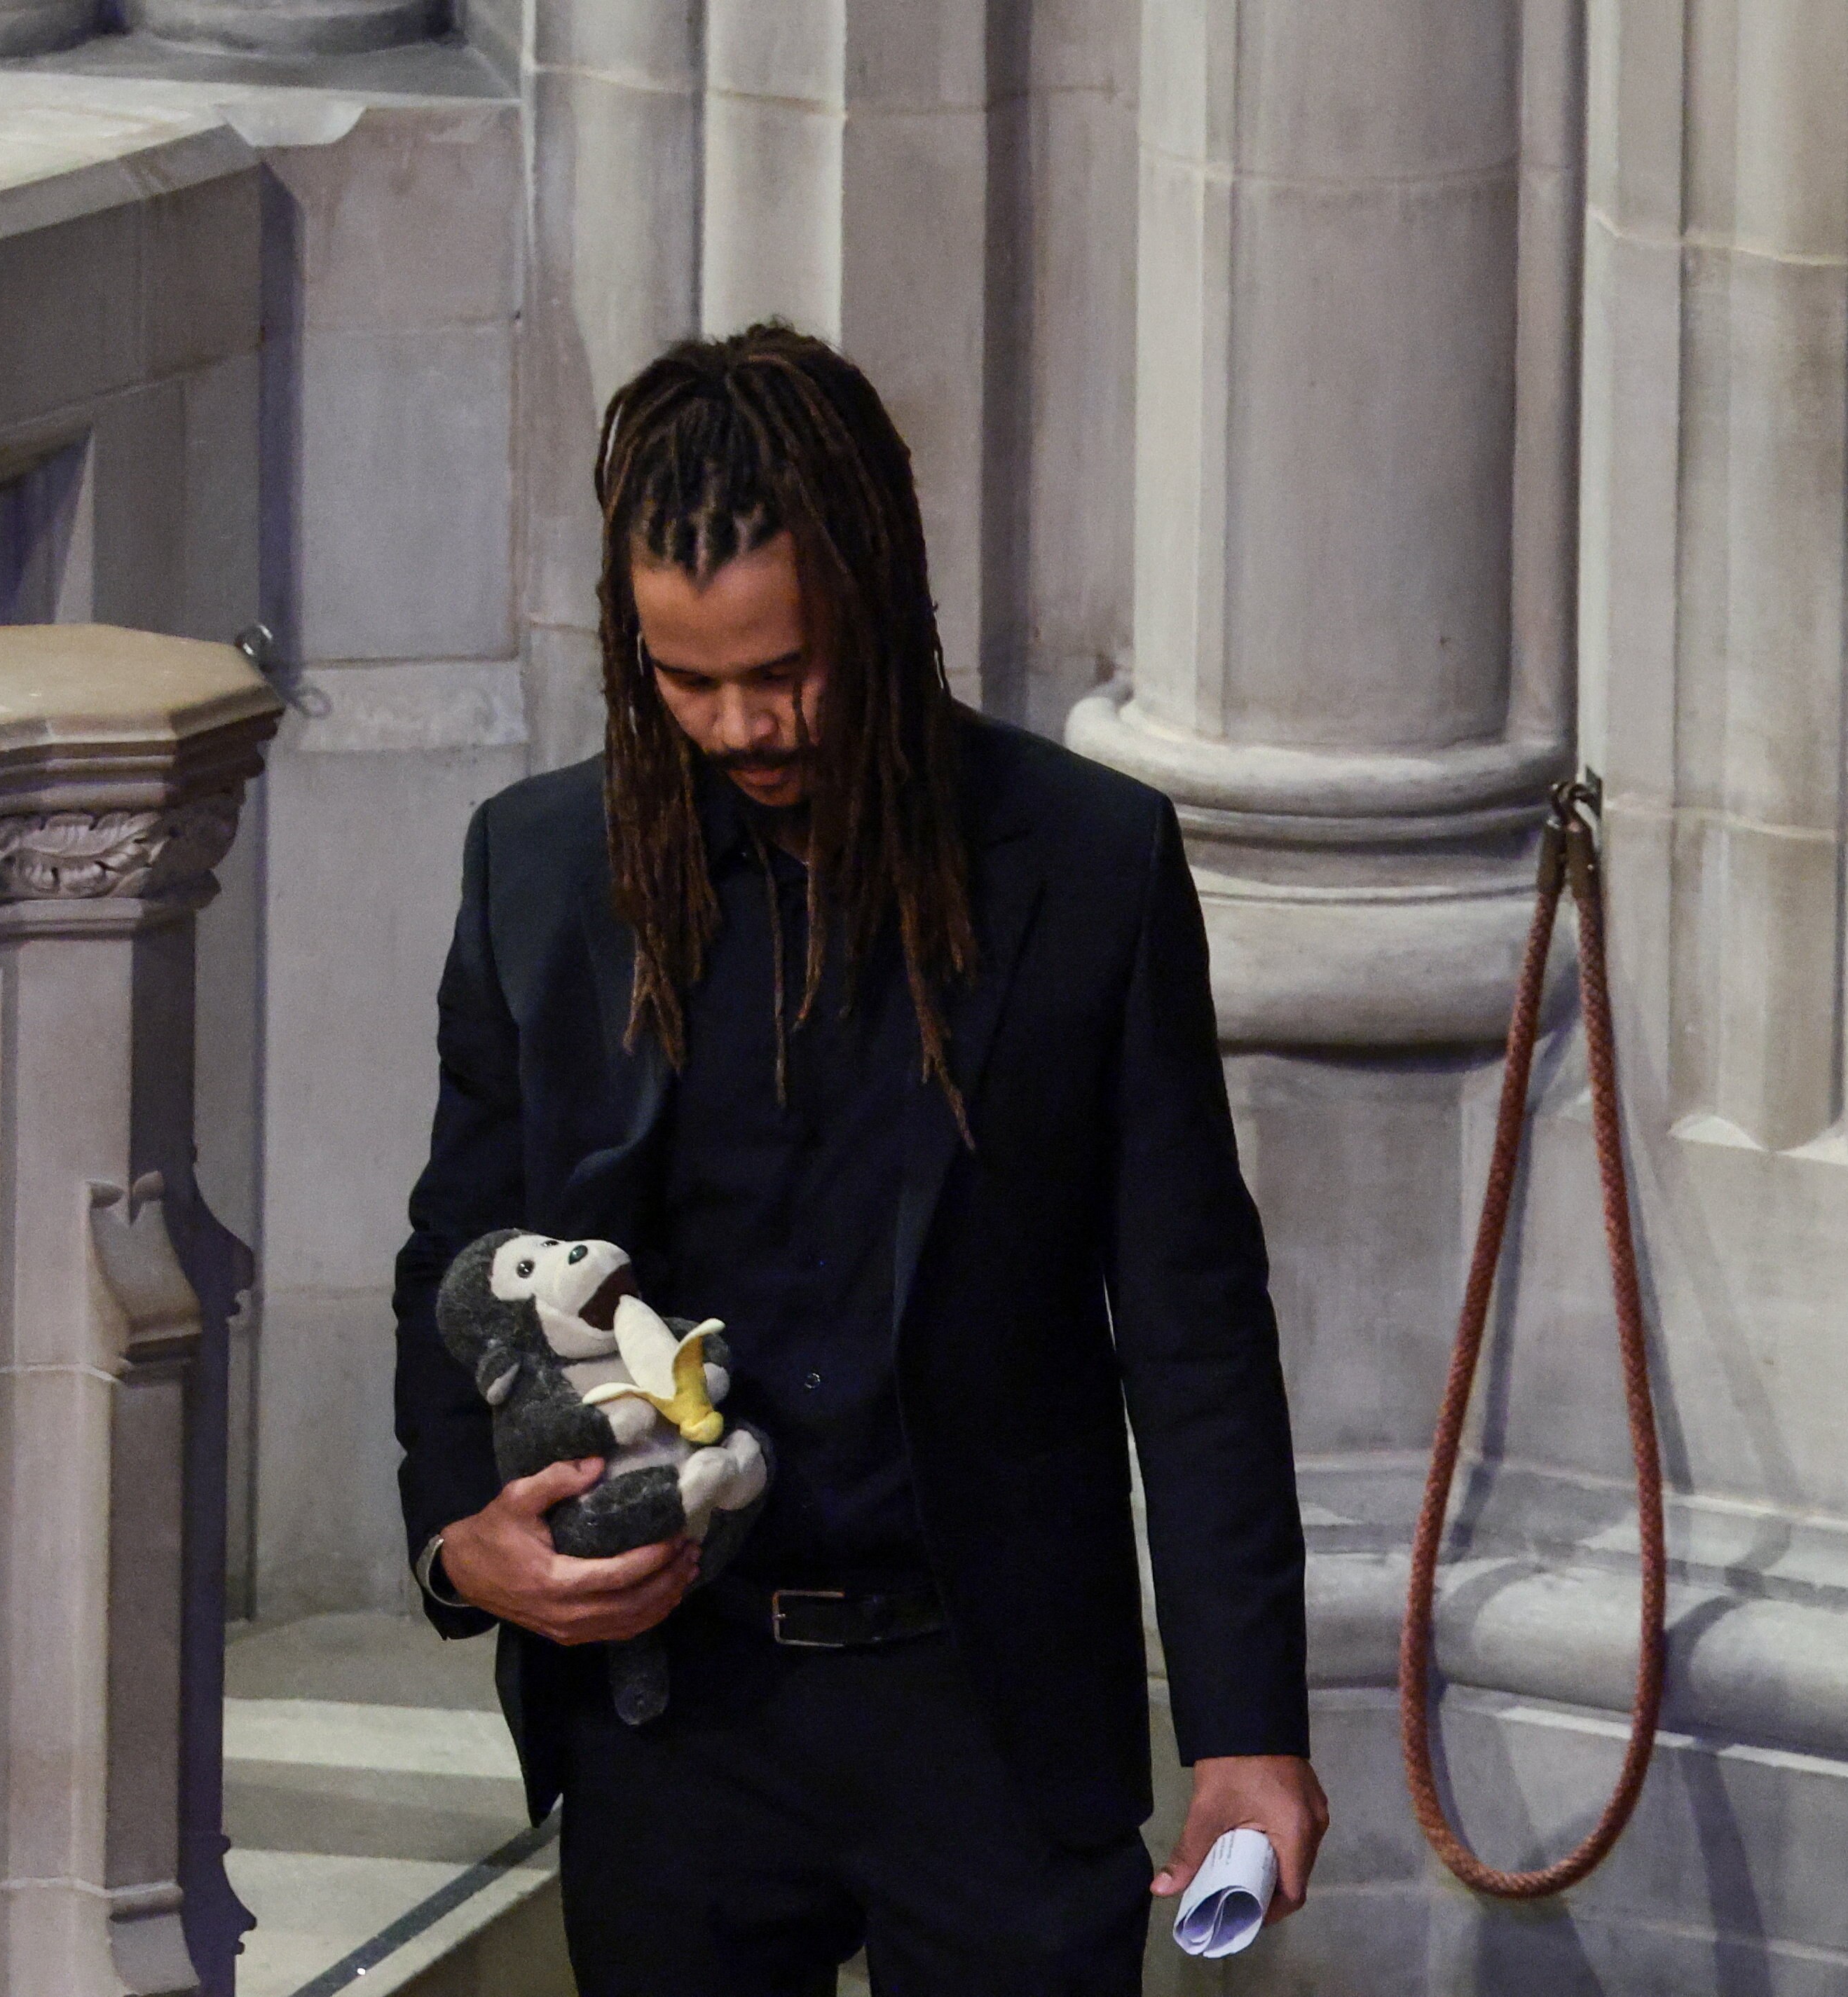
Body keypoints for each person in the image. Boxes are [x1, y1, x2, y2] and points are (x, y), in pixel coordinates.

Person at [390, 324, 1325, 1995]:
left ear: (880, 604)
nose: (744, 722)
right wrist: (461, 1540)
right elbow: (456, 1261)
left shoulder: (1091, 868)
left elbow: (1188, 1324)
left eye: (787, 667)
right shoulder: (537, 874)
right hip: (672, 1712)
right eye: (687, 682)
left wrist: (1247, 1726)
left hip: (987, 1707)